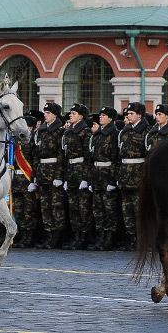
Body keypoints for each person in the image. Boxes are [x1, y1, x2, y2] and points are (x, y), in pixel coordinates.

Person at [117, 101, 150, 248]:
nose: (128, 116)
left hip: (138, 175)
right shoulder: (125, 131)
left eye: (131, 114)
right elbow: (119, 155)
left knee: (140, 210)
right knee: (127, 211)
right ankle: (131, 237)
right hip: (125, 175)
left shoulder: (146, 131)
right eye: (128, 114)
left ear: (140, 115)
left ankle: (143, 239)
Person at [34, 102, 66, 249]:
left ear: (55, 115)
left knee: (56, 206)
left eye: (48, 113)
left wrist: (58, 176)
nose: (45, 115)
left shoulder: (60, 131)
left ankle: (58, 236)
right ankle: (49, 234)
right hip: (42, 171)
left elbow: (61, 154)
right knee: (45, 206)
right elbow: (36, 154)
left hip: (54, 171)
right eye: (45, 112)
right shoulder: (41, 131)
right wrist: (36, 174)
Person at [61, 103, 93, 250]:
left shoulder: (85, 133)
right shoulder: (68, 132)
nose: (70, 116)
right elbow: (66, 156)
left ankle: (84, 237)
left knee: (83, 207)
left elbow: (88, 157)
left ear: (80, 117)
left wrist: (86, 178)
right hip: (71, 171)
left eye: (73, 114)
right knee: (73, 207)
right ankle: (76, 235)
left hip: (81, 171)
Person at [89, 106, 119, 251]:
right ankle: (100, 236)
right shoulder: (97, 134)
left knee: (109, 209)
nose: (100, 117)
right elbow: (91, 157)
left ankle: (109, 238)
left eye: (104, 115)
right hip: (97, 174)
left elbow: (115, 158)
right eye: (100, 115)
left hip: (107, 175)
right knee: (98, 208)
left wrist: (113, 180)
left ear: (111, 119)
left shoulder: (114, 134)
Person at [11, 110, 42, 249]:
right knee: (19, 210)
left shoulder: (32, 142)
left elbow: (35, 161)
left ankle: (30, 237)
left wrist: (34, 180)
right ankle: (22, 235)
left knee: (29, 211)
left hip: (28, 179)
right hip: (17, 180)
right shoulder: (16, 142)